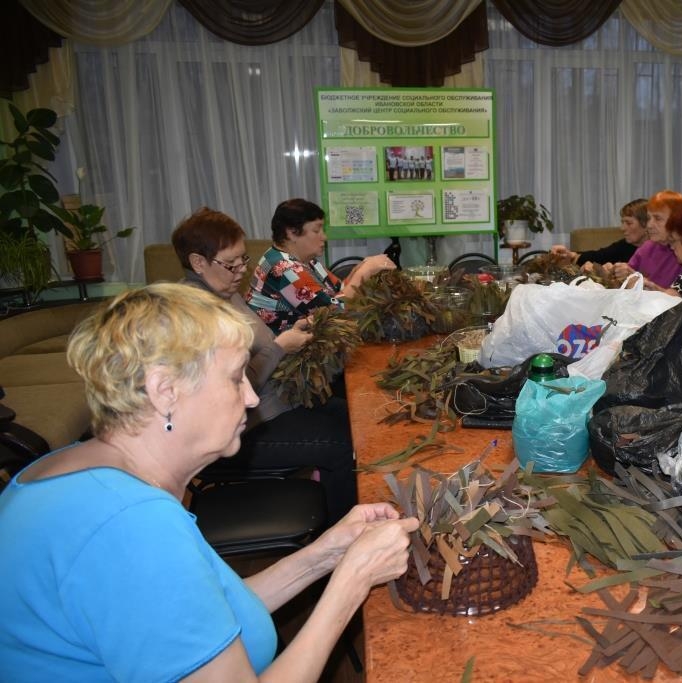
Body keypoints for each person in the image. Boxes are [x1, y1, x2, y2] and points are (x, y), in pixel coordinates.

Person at [0, 283, 418, 681]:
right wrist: (353, 583)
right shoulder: (131, 525)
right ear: (165, 390)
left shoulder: (75, 470)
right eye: (236, 377)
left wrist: (327, 555)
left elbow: (210, 613)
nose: (252, 398)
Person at [173, 207, 356, 523]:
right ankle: (341, 542)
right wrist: (280, 346)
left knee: (353, 415)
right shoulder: (196, 313)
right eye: (231, 264)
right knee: (341, 443)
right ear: (198, 263)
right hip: (237, 432)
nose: (241, 271)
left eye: (243, 260)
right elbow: (231, 391)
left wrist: (289, 338)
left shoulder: (224, 292)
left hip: (270, 406)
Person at [247, 198, 395, 334]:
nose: (324, 237)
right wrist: (365, 271)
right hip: (288, 352)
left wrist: (359, 269)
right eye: (316, 230)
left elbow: (339, 290)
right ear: (291, 233)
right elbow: (335, 313)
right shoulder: (284, 268)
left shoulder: (304, 259)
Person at [617, 190, 682, 287]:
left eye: (657, 218)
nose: (649, 225)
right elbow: (627, 280)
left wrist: (642, 282)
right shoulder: (647, 246)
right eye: (649, 218)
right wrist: (619, 273)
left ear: (677, 220)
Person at [550, 198, 648, 267]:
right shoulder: (626, 245)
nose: (622, 228)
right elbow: (599, 256)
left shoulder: (659, 250)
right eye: (622, 222)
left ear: (646, 224)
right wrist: (570, 254)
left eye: (629, 223)